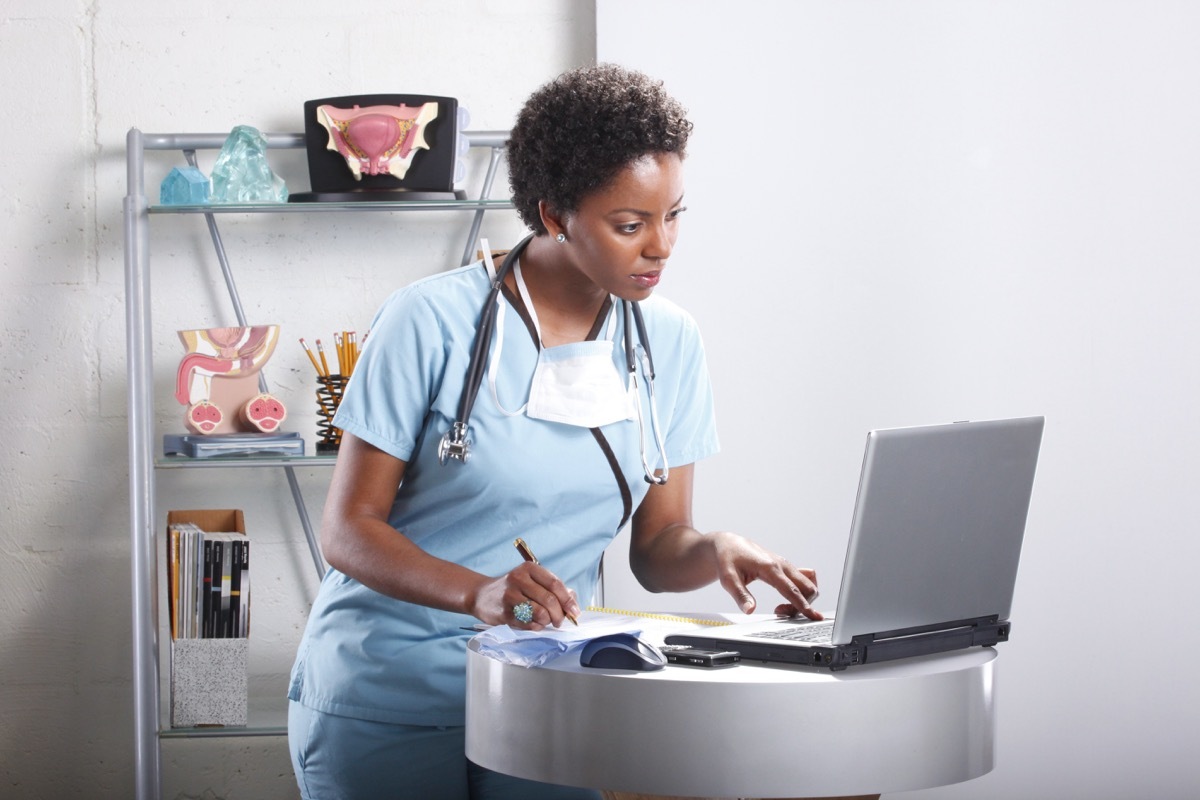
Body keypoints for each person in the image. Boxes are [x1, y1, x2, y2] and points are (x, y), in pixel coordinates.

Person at [287, 63, 822, 800]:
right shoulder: (429, 322)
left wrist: (717, 548)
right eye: (630, 225)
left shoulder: (669, 342)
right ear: (552, 215)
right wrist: (480, 593)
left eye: (673, 216)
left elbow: (659, 553)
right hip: (390, 692)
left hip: (545, 696)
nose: (660, 246)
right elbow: (348, 531)